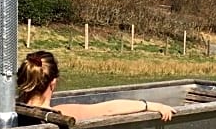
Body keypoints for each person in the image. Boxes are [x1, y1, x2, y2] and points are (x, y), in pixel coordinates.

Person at [16, 51, 175, 122]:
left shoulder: (9, 111)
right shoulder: (60, 113)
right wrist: (150, 105)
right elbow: (109, 109)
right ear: (53, 82)